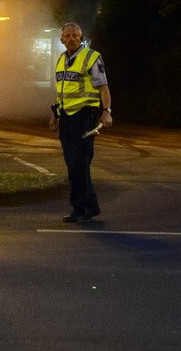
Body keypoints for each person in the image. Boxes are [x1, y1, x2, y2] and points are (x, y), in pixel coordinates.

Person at [49, 22, 113, 223]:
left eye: (75, 35)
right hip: (67, 117)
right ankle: (91, 206)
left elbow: (103, 87)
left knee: (79, 163)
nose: (71, 38)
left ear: (81, 38)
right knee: (72, 164)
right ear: (62, 40)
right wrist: (55, 115)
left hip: (84, 116)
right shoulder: (61, 60)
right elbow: (61, 92)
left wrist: (107, 112)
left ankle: (80, 209)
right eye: (67, 36)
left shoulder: (91, 57)